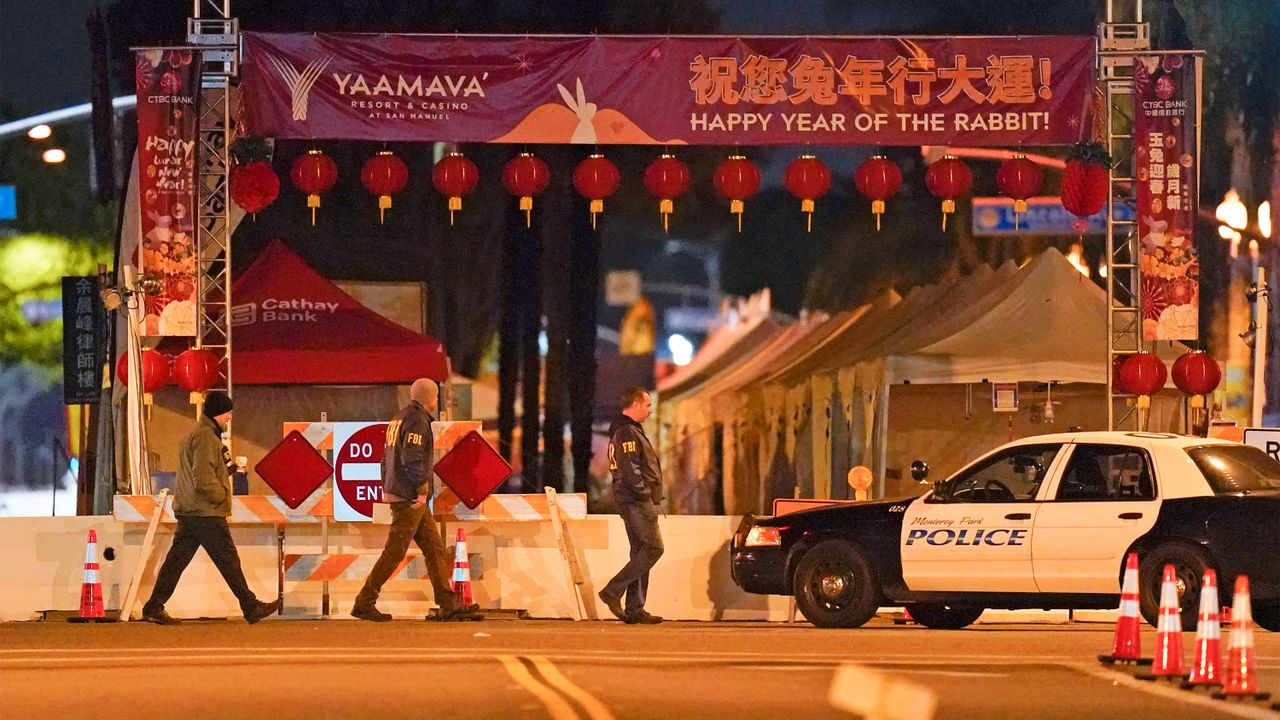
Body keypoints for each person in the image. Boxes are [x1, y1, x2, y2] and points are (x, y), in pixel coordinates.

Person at [142, 392, 281, 625]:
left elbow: (204, 470)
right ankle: (250, 606)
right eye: (227, 413)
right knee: (228, 559)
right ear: (218, 413)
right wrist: (220, 496)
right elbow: (203, 477)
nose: (229, 417)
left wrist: (227, 472)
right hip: (205, 511)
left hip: (191, 510)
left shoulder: (200, 435)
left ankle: (153, 607)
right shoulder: (206, 437)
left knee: (177, 561)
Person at [352, 378, 482, 622]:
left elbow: (385, 458)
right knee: (394, 552)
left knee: (434, 549)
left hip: (402, 492)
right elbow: (412, 458)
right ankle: (364, 602)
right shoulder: (417, 420)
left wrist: (387, 486)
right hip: (410, 496)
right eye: (436, 397)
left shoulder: (399, 417)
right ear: (431, 398)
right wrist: (421, 489)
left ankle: (448, 604)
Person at [598, 387, 665, 625]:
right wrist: (644, 493)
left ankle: (635, 608)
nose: (650, 410)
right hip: (636, 500)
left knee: (640, 552)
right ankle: (612, 591)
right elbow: (630, 468)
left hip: (632, 499)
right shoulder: (627, 431)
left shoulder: (626, 429)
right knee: (653, 548)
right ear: (635, 404)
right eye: (647, 405)